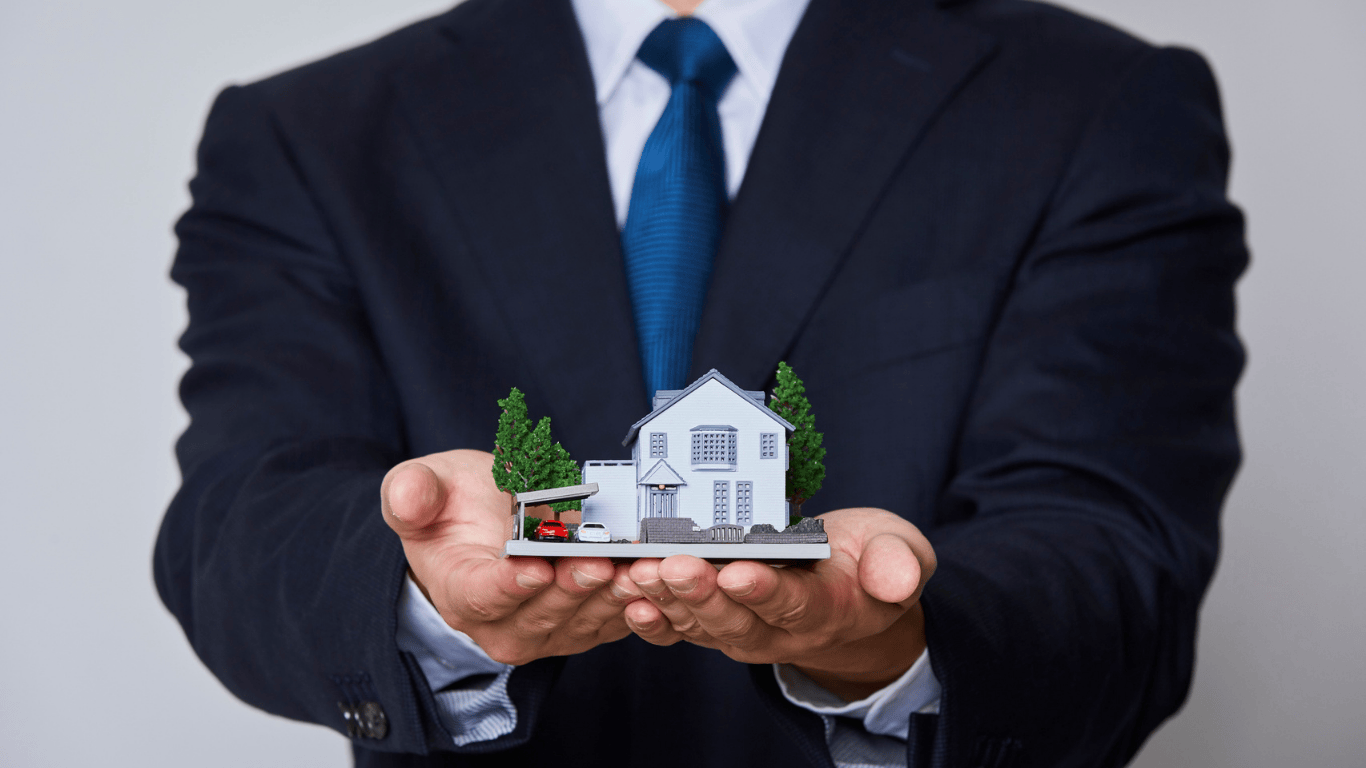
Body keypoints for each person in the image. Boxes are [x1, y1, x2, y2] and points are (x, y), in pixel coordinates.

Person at [153, 0, 1246, 765]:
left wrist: (884, 638)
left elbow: (1114, 550)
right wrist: (426, 593)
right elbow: (239, 526)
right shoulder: (309, 134)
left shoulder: (1096, 105)